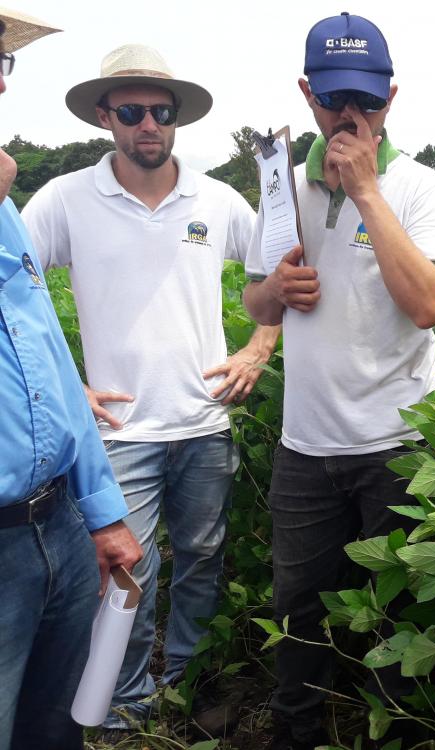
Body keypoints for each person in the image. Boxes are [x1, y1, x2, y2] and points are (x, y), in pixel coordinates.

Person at [22, 44, 280, 731]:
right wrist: (68, 386)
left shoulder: (217, 200)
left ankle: (185, 683)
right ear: (105, 116)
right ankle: (129, 703)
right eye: (131, 111)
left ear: (176, 119)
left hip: (204, 422)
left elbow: (277, 276)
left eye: (160, 111)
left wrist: (257, 347)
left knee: (201, 558)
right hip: (117, 433)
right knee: (126, 572)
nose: (148, 124)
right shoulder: (65, 198)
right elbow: (11, 285)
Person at [242, 12, 435, 749]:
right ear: (307, 93)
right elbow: (252, 300)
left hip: (402, 450)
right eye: (334, 99)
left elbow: (430, 303)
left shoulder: (419, 187)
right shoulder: (280, 189)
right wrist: (275, 292)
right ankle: (298, 733)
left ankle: (395, 736)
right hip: (306, 447)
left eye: (367, 102)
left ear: (391, 97)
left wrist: (368, 191)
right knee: (299, 609)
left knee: (402, 618)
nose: (350, 117)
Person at [0, 10, 143, 750]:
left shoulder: (7, 211)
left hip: (52, 526)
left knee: (54, 731)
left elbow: (47, 353)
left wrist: (100, 509)